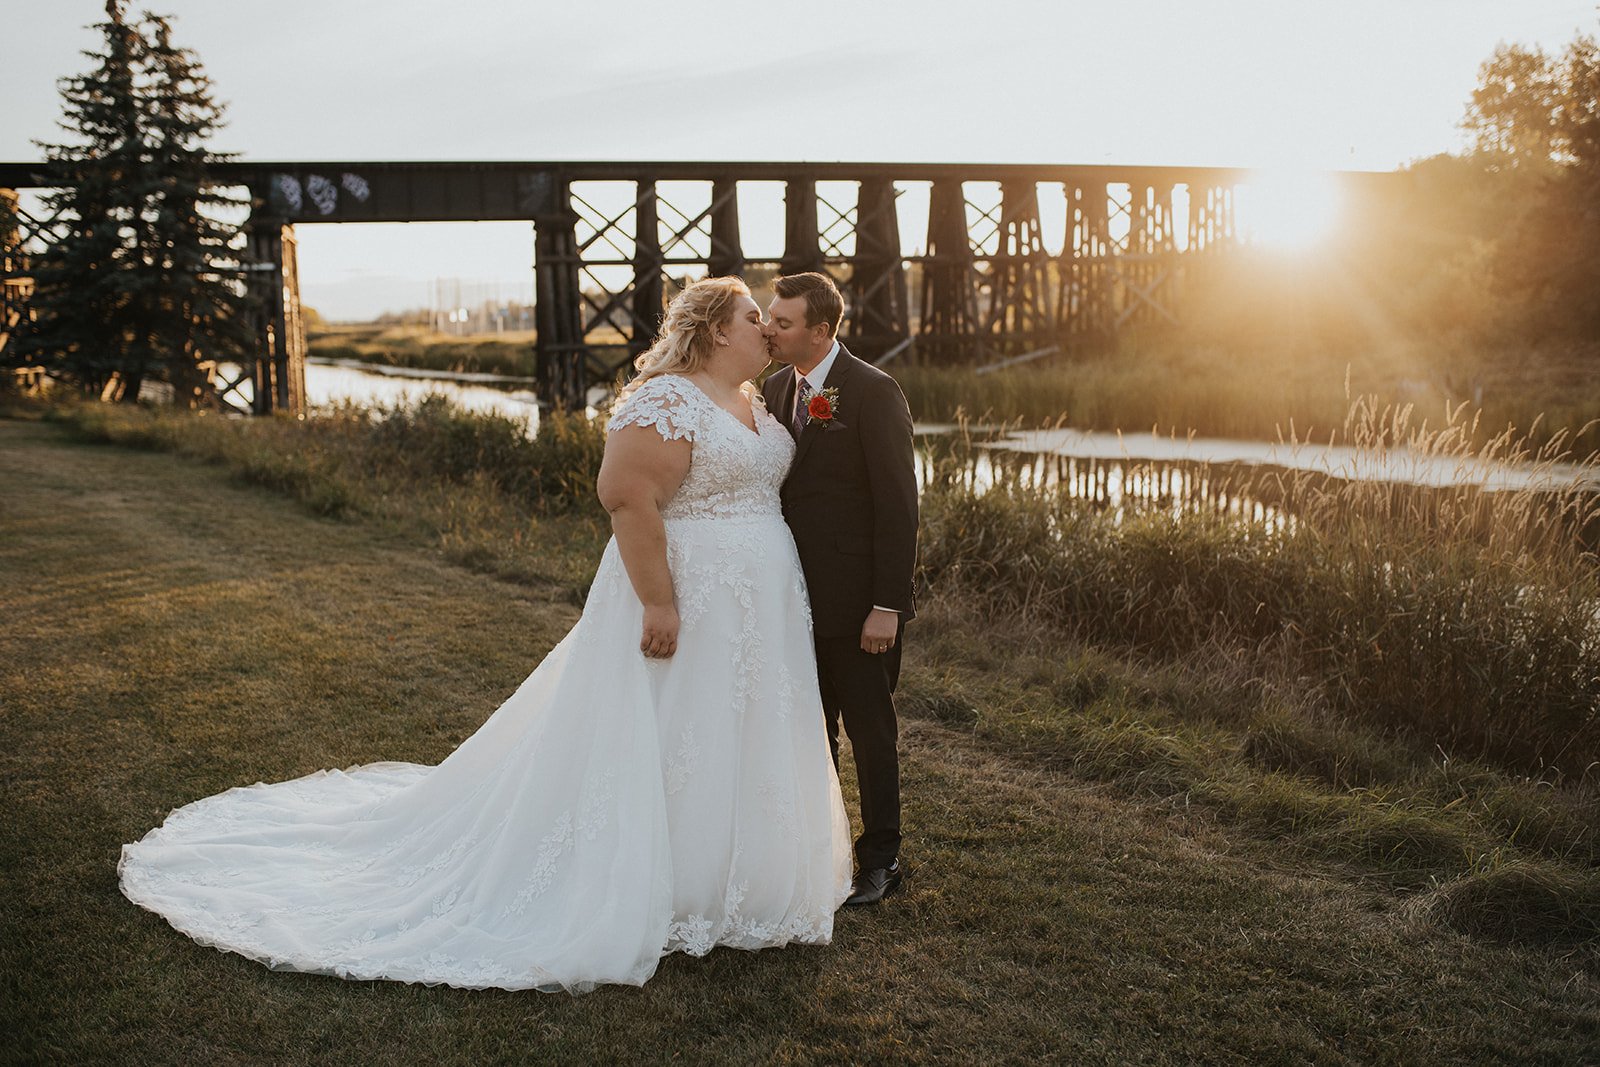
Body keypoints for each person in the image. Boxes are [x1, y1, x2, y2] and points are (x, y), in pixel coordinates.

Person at [118, 276, 853, 993]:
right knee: (672, 730)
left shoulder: (755, 398)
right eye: (754, 315)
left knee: (736, 728)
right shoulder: (668, 399)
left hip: (758, 609)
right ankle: (661, 881)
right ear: (717, 329)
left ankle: (738, 880)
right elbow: (626, 497)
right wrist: (658, 602)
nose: (767, 327)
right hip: (684, 595)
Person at [760, 271, 918, 906]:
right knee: (809, 726)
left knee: (870, 732)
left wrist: (887, 605)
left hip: (858, 604)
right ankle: (819, 849)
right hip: (789, 595)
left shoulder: (874, 391)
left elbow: (899, 507)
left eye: (783, 322)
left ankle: (882, 859)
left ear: (821, 331)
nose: (768, 329)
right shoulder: (775, 389)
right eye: (768, 317)